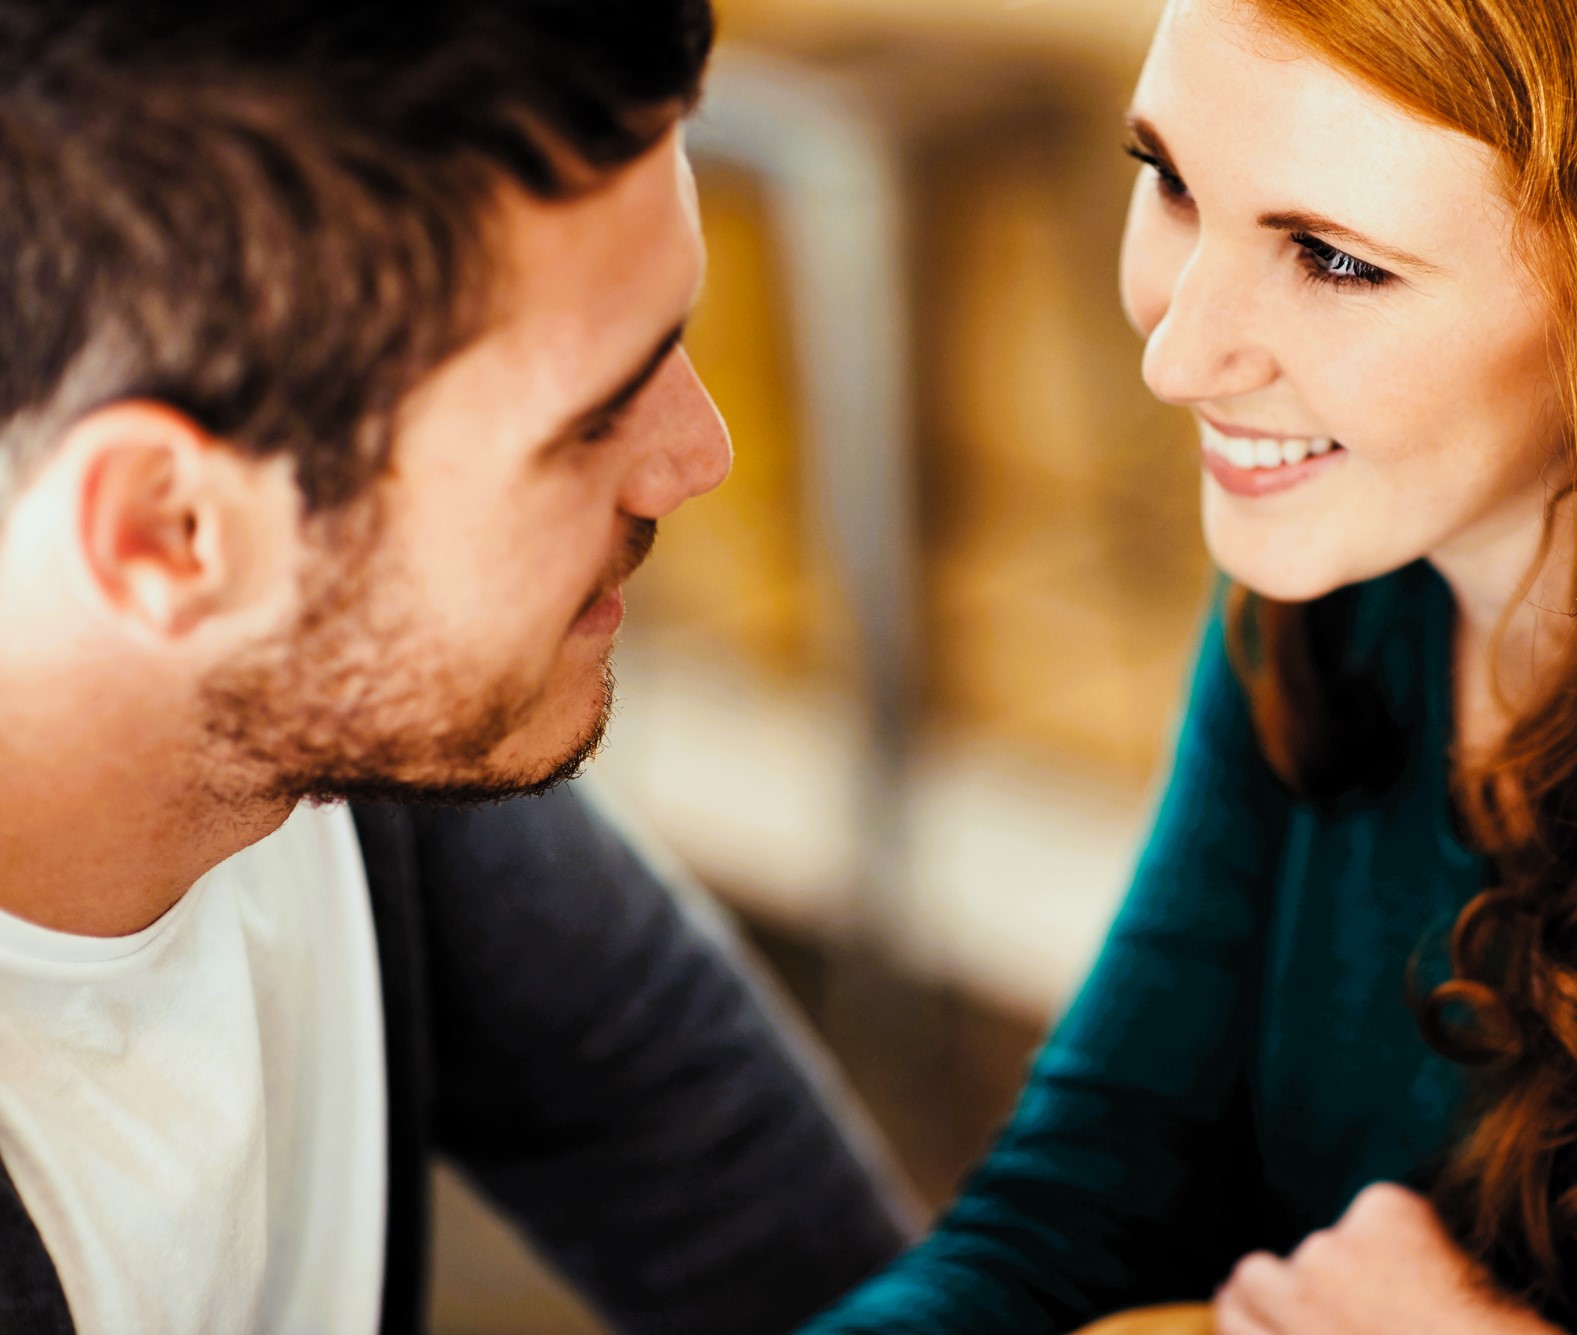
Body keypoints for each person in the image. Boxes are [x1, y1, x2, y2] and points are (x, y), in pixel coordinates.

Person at [802, 0, 1577, 1331]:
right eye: (1173, 183)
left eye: (1333, 259)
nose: (1177, 353)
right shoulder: (1344, 564)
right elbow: (1081, 1206)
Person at [0, 3, 913, 1331]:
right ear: (173, 534)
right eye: (594, 413)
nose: (696, 457)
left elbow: (745, 1203)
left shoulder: (338, 733)